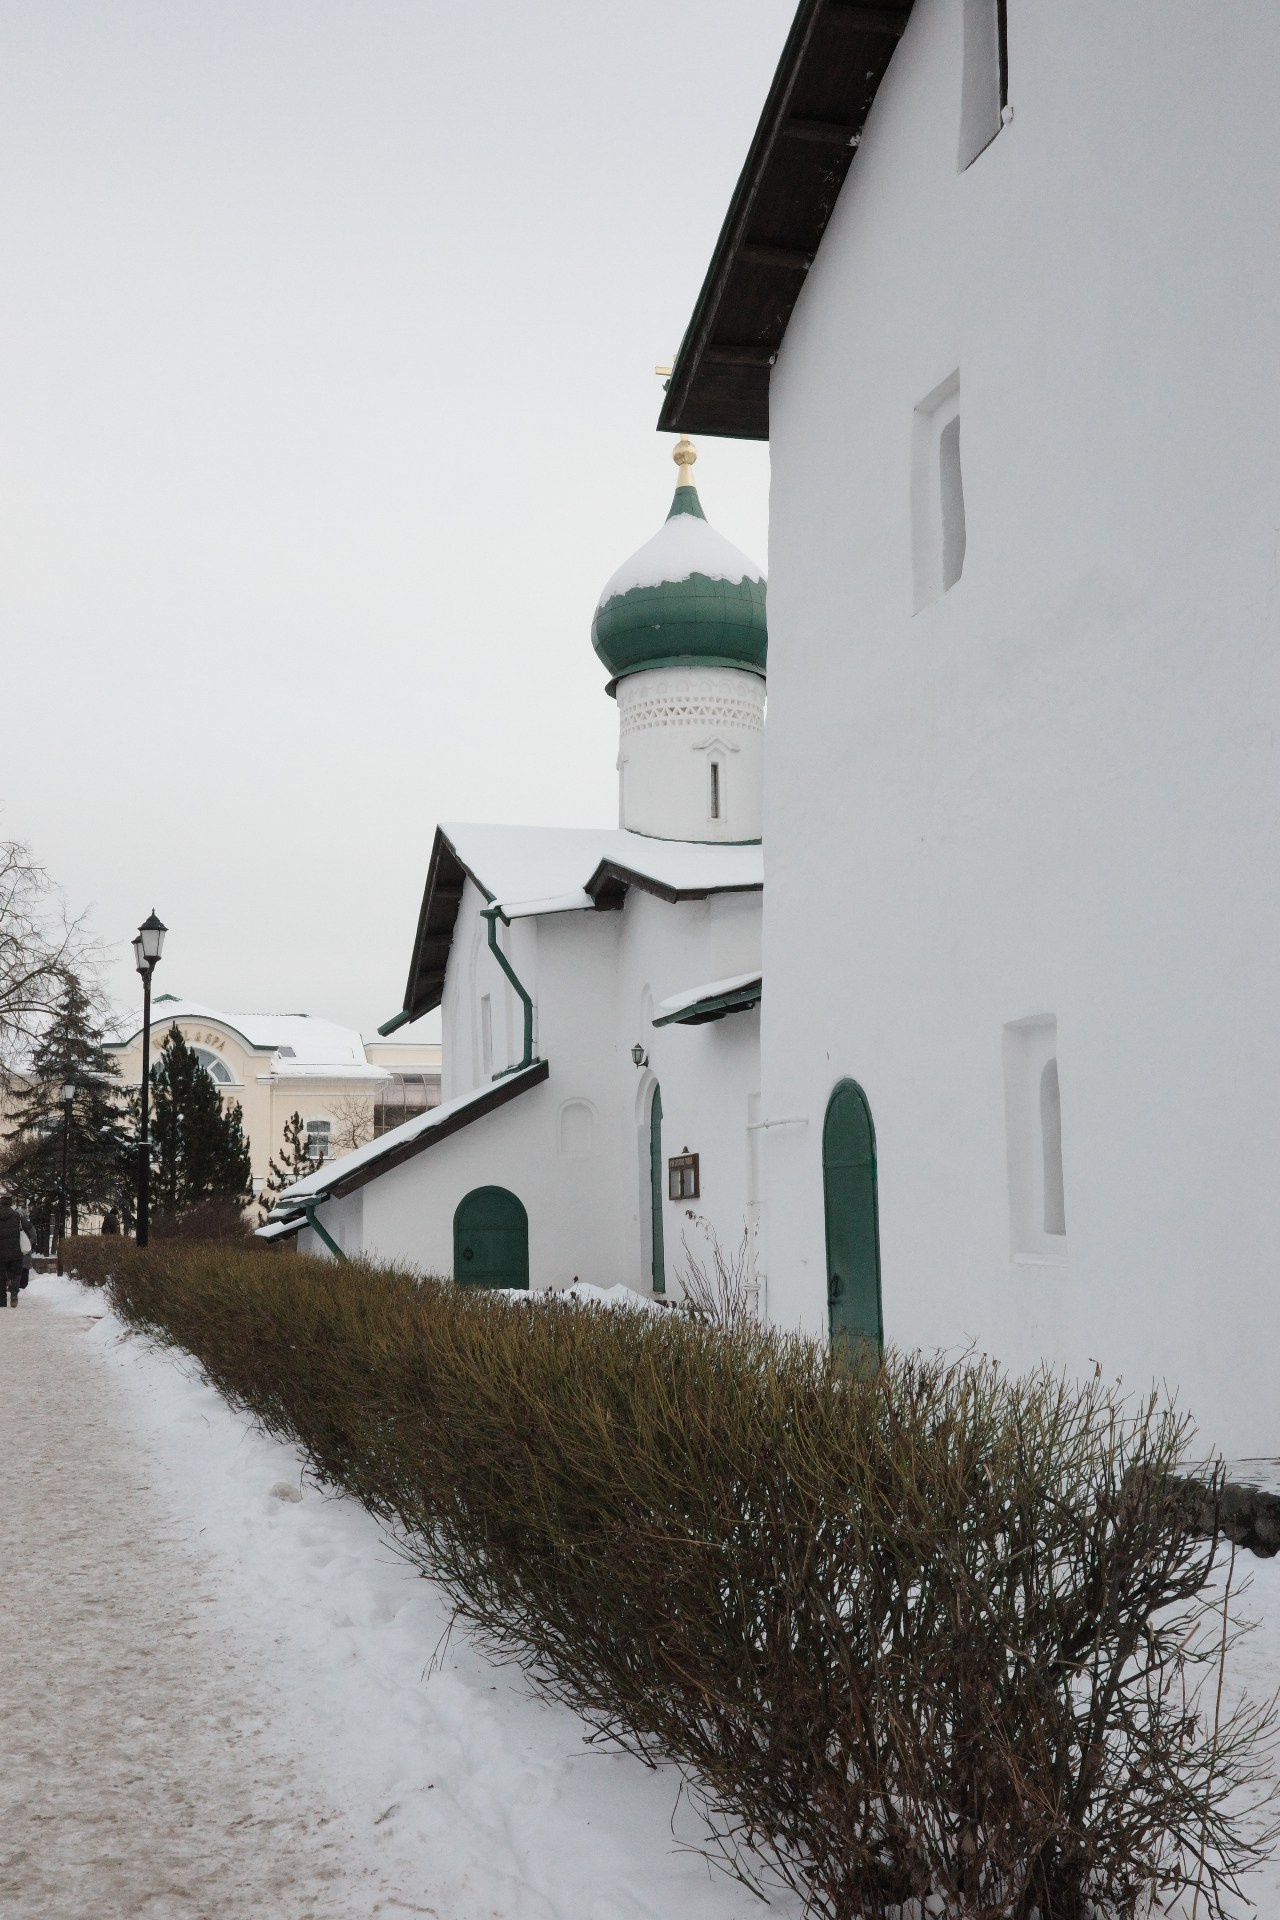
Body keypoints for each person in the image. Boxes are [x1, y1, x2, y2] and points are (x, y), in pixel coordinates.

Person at [0, 1191, 24, 1308]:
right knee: (15, 1274)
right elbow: (28, 1229)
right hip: (15, 1251)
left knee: (0, 1276)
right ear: (10, 1204)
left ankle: (1, 1300)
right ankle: (14, 1294)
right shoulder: (17, 1216)